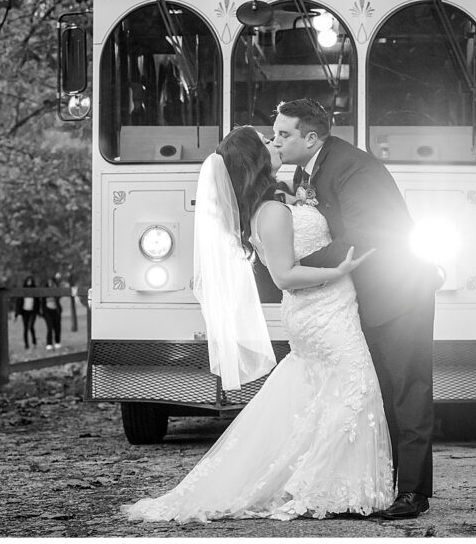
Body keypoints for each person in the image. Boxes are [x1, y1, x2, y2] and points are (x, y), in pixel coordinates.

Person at [122, 126, 393, 523]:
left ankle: (323, 483)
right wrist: (340, 268)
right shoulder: (274, 211)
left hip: (324, 310)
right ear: (256, 160)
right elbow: (284, 276)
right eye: (267, 142)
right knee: (356, 388)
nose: (276, 143)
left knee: (324, 395)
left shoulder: (273, 203)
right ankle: (326, 488)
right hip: (320, 311)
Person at [272, 98, 439, 520]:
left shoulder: (352, 168)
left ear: (311, 138)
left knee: (408, 389)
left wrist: (296, 269)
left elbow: (365, 234)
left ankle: (414, 494)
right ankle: (388, 485)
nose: (277, 141)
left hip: (400, 293)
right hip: (365, 298)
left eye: (284, 134)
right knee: (380, 391)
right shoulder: (315, 167)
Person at [14, 275, 40, 350]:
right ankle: (26, 344)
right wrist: (17, 314)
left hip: (32, 311)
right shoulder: (23, 291)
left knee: (31, 326)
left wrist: (38, 312)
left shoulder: (34, 291)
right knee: (25, 328)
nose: (29, 282)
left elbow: (37, 302)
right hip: (25, 311)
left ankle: (34, 342)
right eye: (28, 281)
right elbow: (19, 303)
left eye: (30, 281)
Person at [42, 275, 63, 351]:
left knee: (57, 327)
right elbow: (42, 302)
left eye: (51, 282)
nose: (50, 283)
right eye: (49, 282)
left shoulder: (56, 290)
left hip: (56, 311)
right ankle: (49, 344)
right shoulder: (45, 291)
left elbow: (59, 297)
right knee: (50, 327)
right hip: (48, 311)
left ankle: (57, 342)